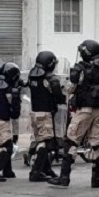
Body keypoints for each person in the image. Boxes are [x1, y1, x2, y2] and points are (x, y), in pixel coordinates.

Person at [48, 40, 99, 188]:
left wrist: (62, 88)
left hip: (84, 110)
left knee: (71, 140)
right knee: (97, 142)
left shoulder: (80, 68)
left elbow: (70, 88)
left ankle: (64, 177)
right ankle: (97, 178)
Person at [27, 51, 66, 182]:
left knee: (41, 139)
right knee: (45, 142)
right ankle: (36, 171)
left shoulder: (32, 75)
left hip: (34, 112)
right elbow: (59, 97)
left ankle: (46, 168)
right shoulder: (50, 78)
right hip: (45, 113)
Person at [0, 62, 22, 182]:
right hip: (1, 120)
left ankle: (7, 170)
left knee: (5, 143)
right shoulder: (10, 90)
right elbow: (15, 113)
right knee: (7, 146)